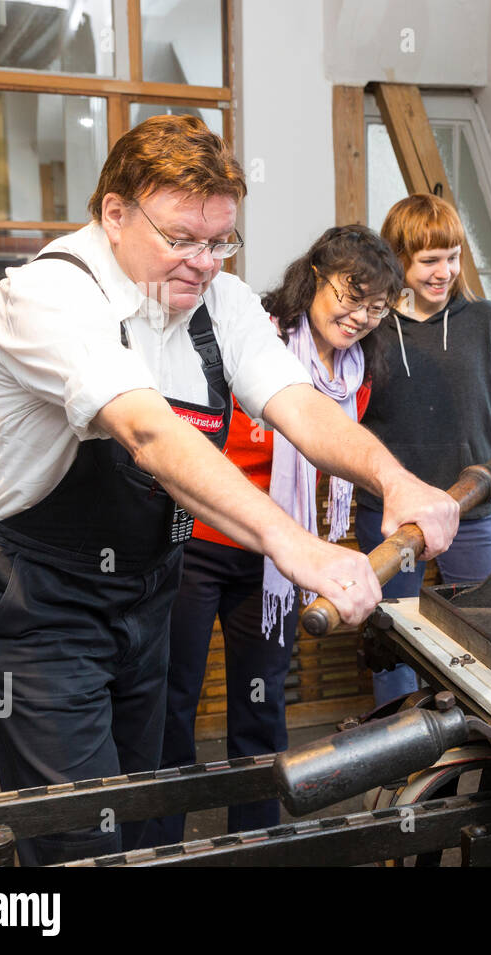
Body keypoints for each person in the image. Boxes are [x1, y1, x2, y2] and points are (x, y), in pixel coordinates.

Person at [0, 116, 458, 866]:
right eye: (182, 239)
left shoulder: (220, 300)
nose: (204, 262)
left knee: (148, 793)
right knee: (78, 828)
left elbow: (297, 400)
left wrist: (395, 478)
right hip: (36, 591)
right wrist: (293, 543)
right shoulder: (50, 296)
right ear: (113, 213)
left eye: (221, 242)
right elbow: (148, 433)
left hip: (147, 581)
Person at [144, 226, 402, 845]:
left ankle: (256, 841)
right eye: (350, 295)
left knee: (262, 707)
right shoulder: (247, 336)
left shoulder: (355, 372)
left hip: (275, 562)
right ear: (313, 276)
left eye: (377, 306)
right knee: (171, 702)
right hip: (198, 543)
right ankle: (159, 843)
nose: (361, 316)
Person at [354, 193, 491, 706]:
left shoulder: (486, 321)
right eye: (429, 260)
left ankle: (484, 754)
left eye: (452, 257)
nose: (444, 271)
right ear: (398, 259)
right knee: (394, 641)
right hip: (389, 518)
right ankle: (397, 762)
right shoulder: (370, 328)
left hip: (469, 513)